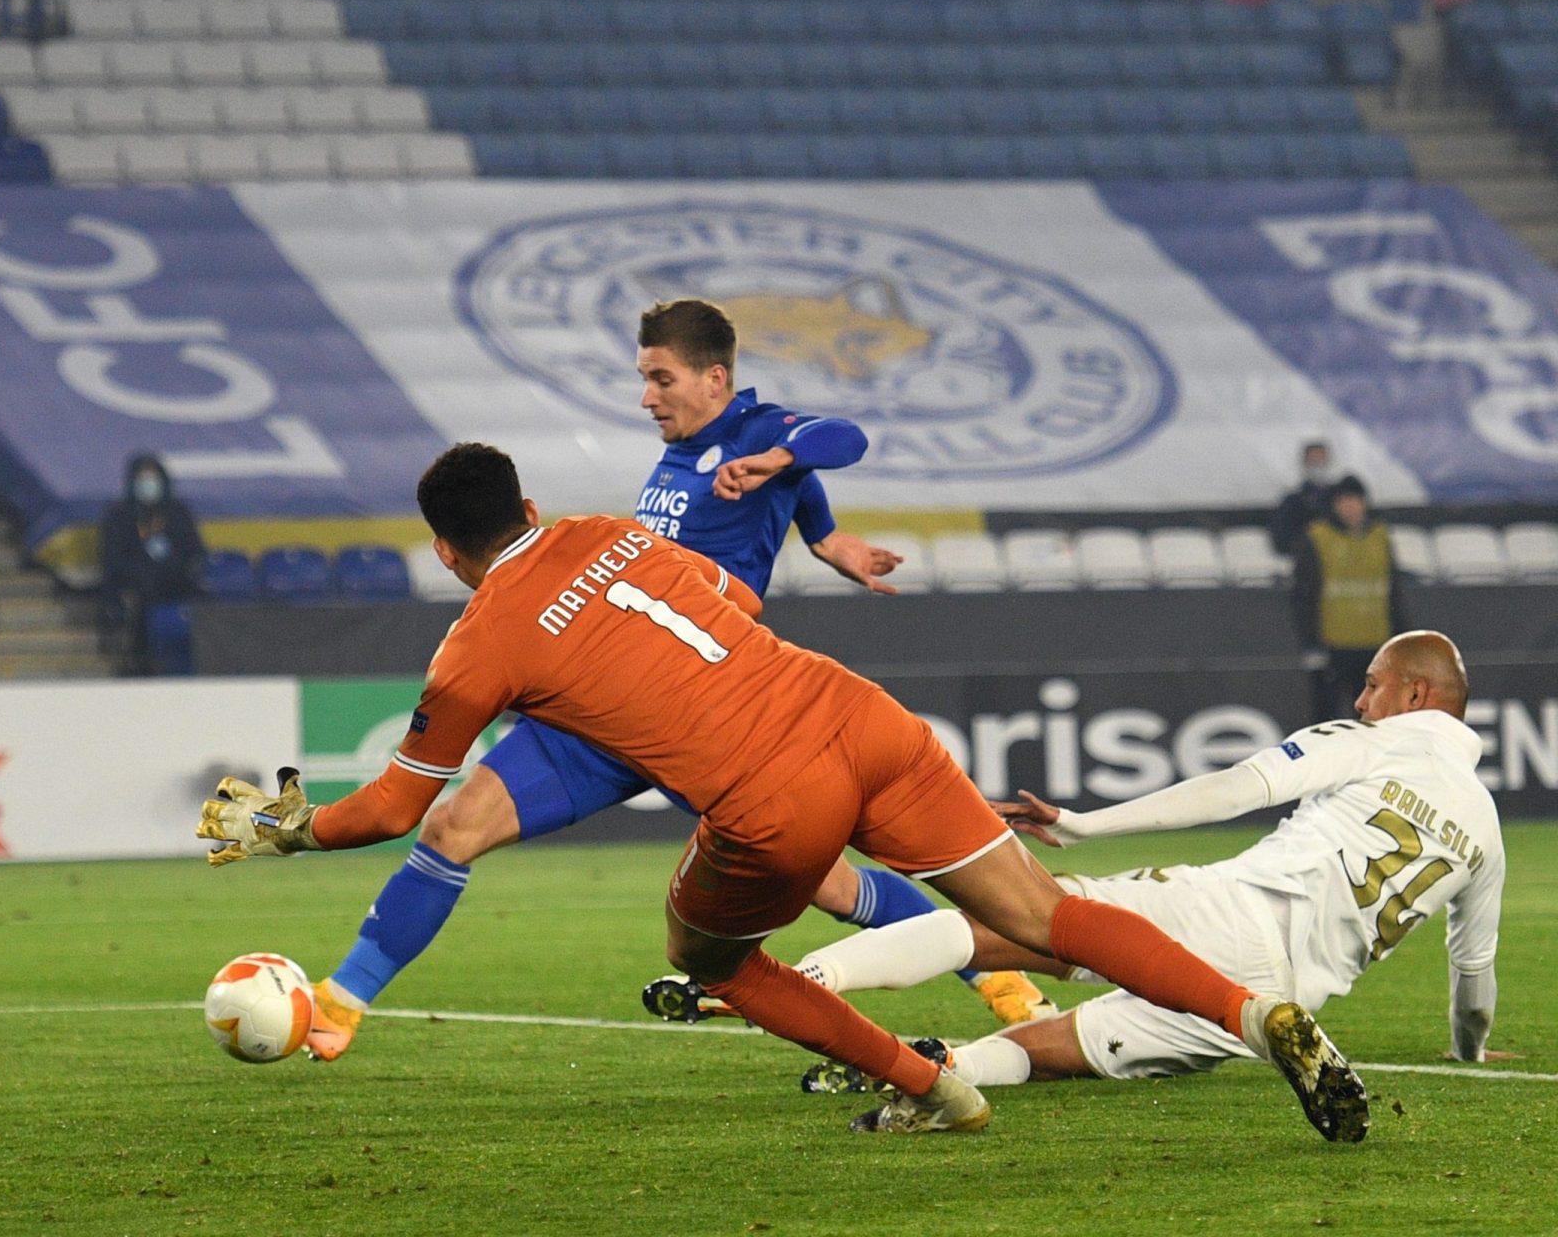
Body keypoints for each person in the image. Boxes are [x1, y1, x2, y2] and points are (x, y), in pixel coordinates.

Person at [199, 442, 1370, 1141]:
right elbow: (732, 603)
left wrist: (281, 829)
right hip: (858, 714)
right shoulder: (610, 531)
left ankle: (935, 1084)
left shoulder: (474, 641)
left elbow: (395, 809)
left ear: (445, 549)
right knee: (1045, 912)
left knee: (712, 959)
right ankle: (1250, 1012)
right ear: (530, 507)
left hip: (769, 795)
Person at [301, 299, 1050, 1065]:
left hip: (700, 702)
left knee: (830, 885)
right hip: (599, 703)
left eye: (661, 378)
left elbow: (841, 438)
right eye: (644, 378)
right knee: (451, 828)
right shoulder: (678, 456)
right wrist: (825, 539)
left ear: (715, 378)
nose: (646, 396)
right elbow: (793, 498)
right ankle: (340, 1000)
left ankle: (1005, 985)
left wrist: (782, 465)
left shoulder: (761, 435)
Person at [791, 631, 1506, 1096]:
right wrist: (1467, 1053)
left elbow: (1232, 791)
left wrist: (1083, 823)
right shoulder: (1486, 831)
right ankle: (946, 1069)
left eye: (1374, 683)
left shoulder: (1374, 741)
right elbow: (1473, 976)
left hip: (1233, 909)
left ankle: (803, 983)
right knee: (1056, 1052)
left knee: (1001, 922)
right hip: (1284, 995)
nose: (1360, 698)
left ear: (1415, 695)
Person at [1292, 474, 1408, 724]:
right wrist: (1311, 643)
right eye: (1344, 501)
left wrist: (1401, 639)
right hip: (1334, 645)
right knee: (1327, 720)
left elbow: (1393, 591)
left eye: (1356, 500)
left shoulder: (1380, 535)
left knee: (1374, 719)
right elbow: (1303, 594)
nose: (1351, 507)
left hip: (1375, 644)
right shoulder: (1318, 537)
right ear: (1334, 505)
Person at [98, 452, 206, 676]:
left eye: (152, 478)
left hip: (175, 588)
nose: (148, 484)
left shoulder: (177, 514)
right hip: (138, 591)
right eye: (142, 479)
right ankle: (141, 662)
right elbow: (113, 560)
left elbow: (195, 552)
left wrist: (174, 568)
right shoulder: (120, 516)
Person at [1267, 440, 1335, 556]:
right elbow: (1281, 540)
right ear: (1305, 464)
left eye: (1321, 460)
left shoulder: (1340, 499)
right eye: (1313, 461)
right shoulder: (1292, 502)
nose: (1318, 465)